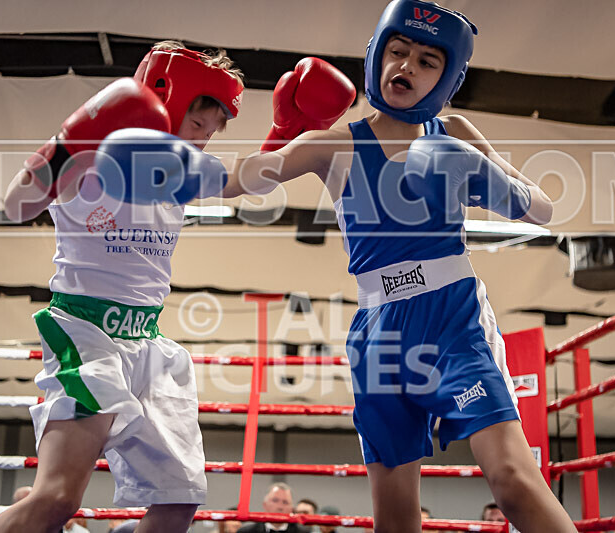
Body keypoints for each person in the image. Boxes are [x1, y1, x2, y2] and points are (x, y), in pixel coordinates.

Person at [217, 1, 576, 532]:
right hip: (378, 331)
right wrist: (281, 132)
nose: (406, 66)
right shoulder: (330, 145)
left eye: (427, 61)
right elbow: (230, 184)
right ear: (376, 56)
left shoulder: (454, 132)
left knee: (514, 481)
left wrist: (475, 165)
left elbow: (542, 210)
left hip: (452, 318)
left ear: (447, 78)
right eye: (398, 51)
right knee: (394, 518)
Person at [0, 40, 244, 533]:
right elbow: (16, 205)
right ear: (164, 102)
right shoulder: (91, 156)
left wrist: (290, 133)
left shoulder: (178, 174)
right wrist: (70, 141)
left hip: (149, 343)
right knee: (58, 497)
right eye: (197, 126)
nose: (202, 142)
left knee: (178, 505)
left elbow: (248, 180)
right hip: (85, 335)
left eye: (210, 134)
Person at [237, 483, 310, 533]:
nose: (280, 507)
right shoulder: (246, 532)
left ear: (292, 508)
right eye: (275, 501)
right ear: (265, 505)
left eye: (285, 502)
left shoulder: (302, 532)